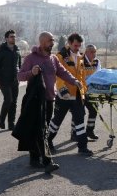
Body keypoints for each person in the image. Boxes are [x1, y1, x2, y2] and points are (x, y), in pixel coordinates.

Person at [17, 31, 84, 173]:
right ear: (42, 42)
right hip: (36, 100)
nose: (52, 43)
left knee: (42, 128)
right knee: (41, 130)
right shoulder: (31, 58)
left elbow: (62, 72)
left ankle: (34, 159)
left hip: (49, 99)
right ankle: (47, 161)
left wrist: (74, 81)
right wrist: (31, 73)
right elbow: (20, 76)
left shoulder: (53, 58)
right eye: (50, 40)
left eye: (53, 40)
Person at [47, 33, 93, 156]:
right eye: (75, 45)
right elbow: (58, 74)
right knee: (56, 121)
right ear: (69, 43)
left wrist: (84, 90)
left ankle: (82, 147)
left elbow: (82, 77)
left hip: (77, 95)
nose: (78, 48)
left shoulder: (80, 57)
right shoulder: (60, 56)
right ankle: (47, 142)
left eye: (79, 45)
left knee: (79, 121)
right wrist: (62, 89)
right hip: (64, 95)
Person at [0, 29, 22, 130]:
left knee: (14, 102)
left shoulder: (17, 50)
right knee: (8, 99)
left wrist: (20, 75)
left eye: (14, 36)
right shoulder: (0, 50)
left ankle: (11, 123)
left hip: (15, 79)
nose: (13, 38)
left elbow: (19, 64)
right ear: (6, 38)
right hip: (4, 80)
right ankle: (2, 119)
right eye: (11, 36)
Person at [73, 43, 100, 141]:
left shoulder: (97, 61)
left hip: (91, 89)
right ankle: (74, 133)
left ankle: (90, 130)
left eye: (95, 52)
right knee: (79, 112)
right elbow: (79, 76)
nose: (94, 54)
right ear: (86, 52)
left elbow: (98, 75)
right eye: (92, 52)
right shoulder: (80, 60)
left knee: (94, 109)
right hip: (80, 89)